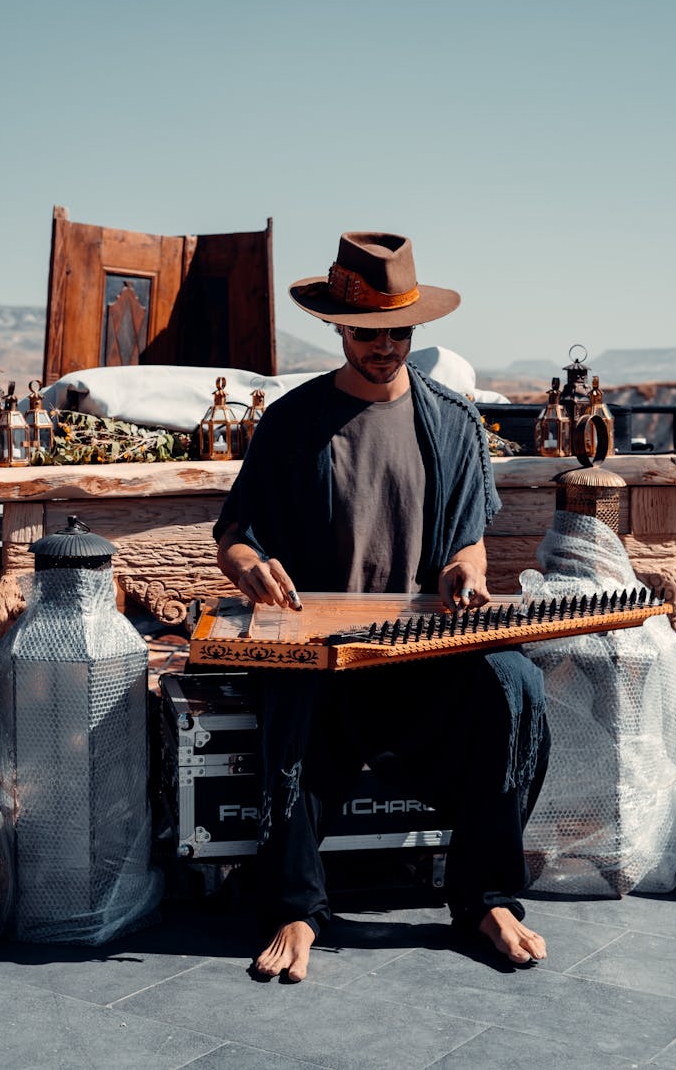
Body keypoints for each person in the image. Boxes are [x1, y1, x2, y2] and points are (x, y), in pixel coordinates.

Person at [214, 231, 550, 982]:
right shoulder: (294, 422)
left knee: (514, 684)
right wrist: (249, 571)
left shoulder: (454, 424)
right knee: (290, 696)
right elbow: (233, 536)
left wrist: (464, 576)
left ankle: (485, 896)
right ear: (339, 327)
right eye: (368, 332)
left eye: (399, 330)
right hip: (323, 655)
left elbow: (469, 545)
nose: (385, 346)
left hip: (421, 654)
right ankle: (297, 907)